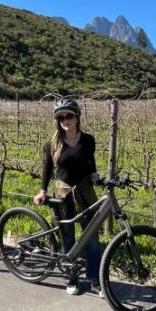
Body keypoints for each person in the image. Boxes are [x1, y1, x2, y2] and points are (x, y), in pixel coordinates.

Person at [33, 98, 102, 297]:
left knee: (92, 239)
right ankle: (71, 277)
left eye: (69, 115)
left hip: (85, 192)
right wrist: (43, 190)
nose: (65, 120)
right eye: (61, 117)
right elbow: (47, 168)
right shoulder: (53, 143)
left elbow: (90, 163)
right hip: (63, 193)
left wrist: (95, 176)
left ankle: (95, 279)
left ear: (77, 117)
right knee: (68, 237)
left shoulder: (88, 140)